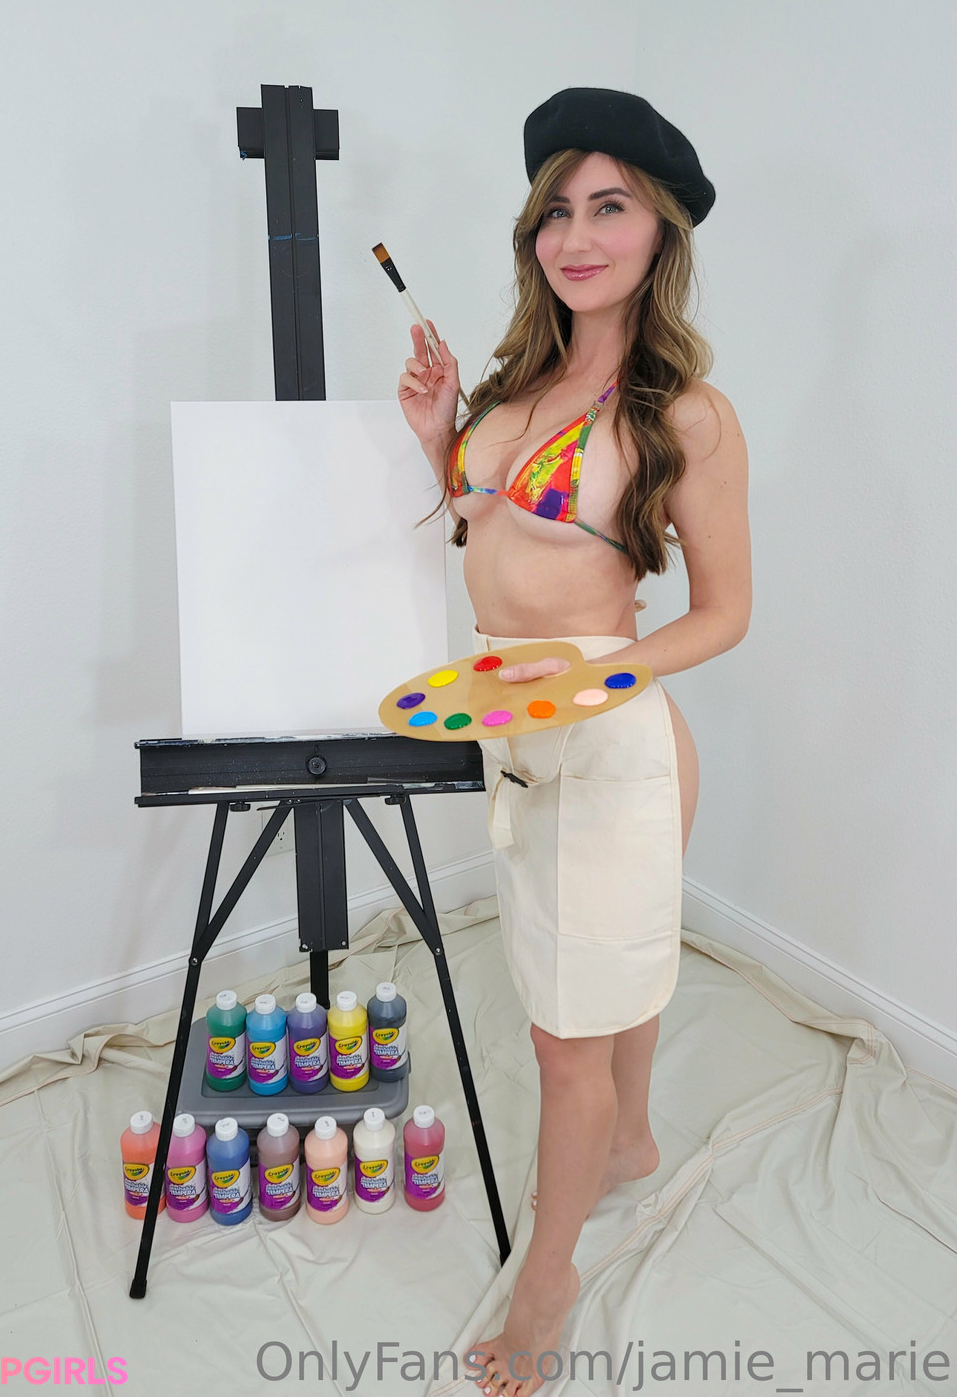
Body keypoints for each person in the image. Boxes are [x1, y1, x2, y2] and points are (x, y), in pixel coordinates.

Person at [395, 89, 751, 1397]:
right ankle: (631, 1142)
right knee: (601, 979)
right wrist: (440, 439)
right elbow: (489, 536)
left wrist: (594, 683)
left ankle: (547, 1286)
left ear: (660, 233)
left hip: (608, 740)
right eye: (557, 210)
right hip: (515, 725)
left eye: (610, 208)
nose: (577, 236)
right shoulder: (517, 388)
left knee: (563, 1036)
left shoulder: (687, 413)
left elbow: (724, 612)